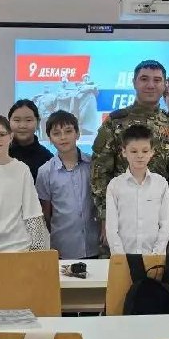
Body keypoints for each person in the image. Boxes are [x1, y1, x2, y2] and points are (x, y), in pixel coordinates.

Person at [91, 60, 169, 239]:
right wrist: (106, 217)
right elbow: (99, 172)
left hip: (161, 217)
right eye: (144, 79)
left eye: (157, 80)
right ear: (134, 82)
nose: (150, 85)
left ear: (165, 85)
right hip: (123, 215)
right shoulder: (115, 122)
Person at [0, 115, 49, 253]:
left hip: (19, 248)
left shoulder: (22, 170)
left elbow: (32, 213)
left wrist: (37, 252)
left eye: (1, 135)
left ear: (11, 136)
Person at [36, 110, 100, 259]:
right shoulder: (45, 172)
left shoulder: (93, 165)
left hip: (95, 245)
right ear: (49, 139)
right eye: (56, 133)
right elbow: (46, 214)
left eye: (68, 131)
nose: (63, 137)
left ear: (78, 134)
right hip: (62, 248)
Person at [105, 124, 169, 255]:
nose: (140, 155)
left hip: (154, 257)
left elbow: (164, 224)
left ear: (152, 152)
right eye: (134, 151)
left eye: (145, 151)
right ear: (124, 152)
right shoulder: (115, 185)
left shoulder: (161, 183)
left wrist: (156, 254)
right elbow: (111, 227)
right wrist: (120, 257)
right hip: (123, 256)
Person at [8, 99, 54, 181]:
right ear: (9, 122)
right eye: (17, 120)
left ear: (38, 122)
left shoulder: (47, 158)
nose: (22, 126)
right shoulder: (2, 154)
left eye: (28, 120)